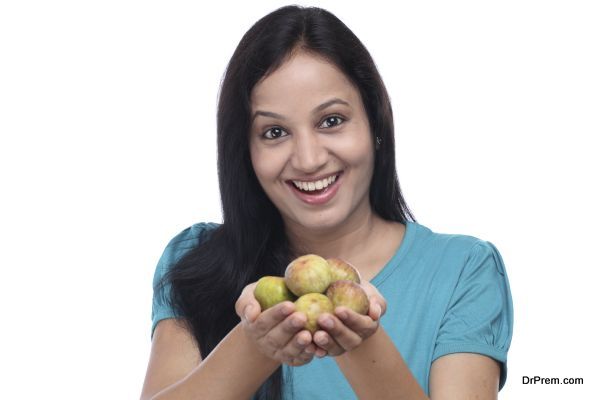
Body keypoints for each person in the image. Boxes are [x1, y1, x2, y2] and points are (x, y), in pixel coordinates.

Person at [140, 5, 513, 400]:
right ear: (244, 151)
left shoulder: (462, 270)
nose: (308, 159)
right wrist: (255, 343)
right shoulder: (195, 258)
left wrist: (358, 339)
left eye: (331, 121)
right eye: (274, 131)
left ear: (375, 123)